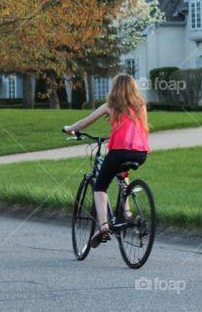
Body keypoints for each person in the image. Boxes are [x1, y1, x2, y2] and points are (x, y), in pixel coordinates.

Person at [63, 74, 151, 248]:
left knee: (100, 187)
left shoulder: (111, 105)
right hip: (140, 153)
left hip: (119, 152)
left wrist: (69, 129)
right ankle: (126, 211)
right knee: (122, 172)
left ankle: (103, 226)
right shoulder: (141, 105)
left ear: (115, 89)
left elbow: (84, 123)